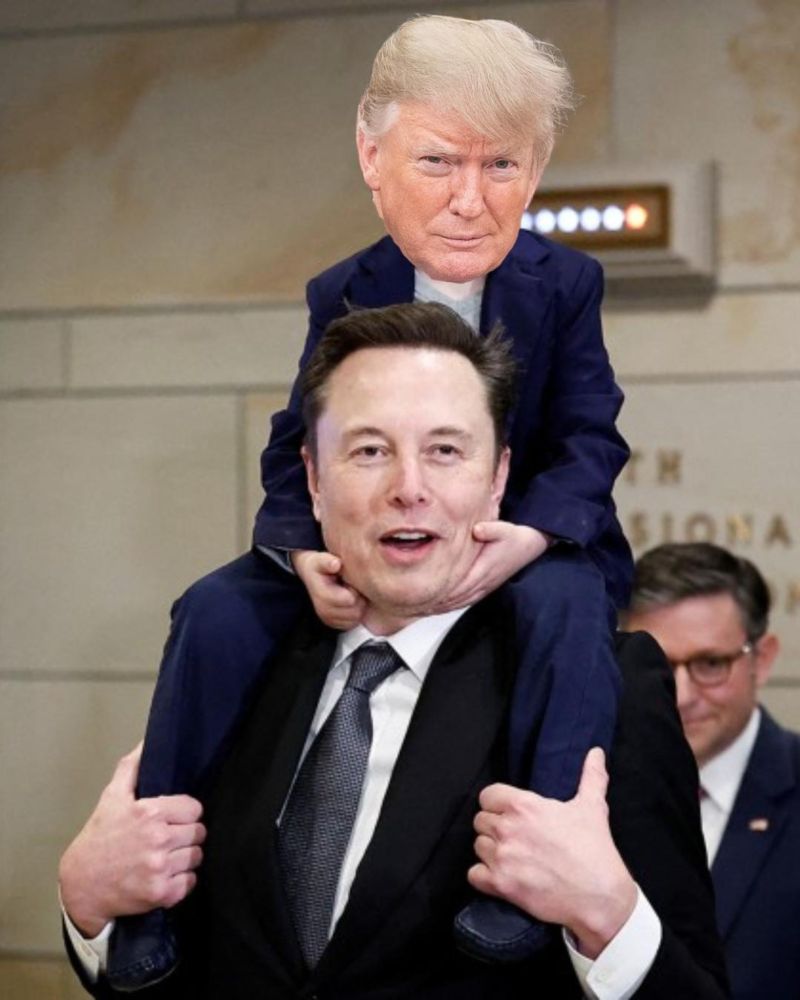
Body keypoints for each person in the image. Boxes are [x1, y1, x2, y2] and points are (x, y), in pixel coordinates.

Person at [123, 14, 630, 981]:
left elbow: (589, 435)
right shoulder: (342, 290)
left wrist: (528, 533)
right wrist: (298, 549)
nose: (470, 200)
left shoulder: (567, 282)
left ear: (535, 171)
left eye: (502, 166)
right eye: (438, 162)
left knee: (569, 609)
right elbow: (298, 442)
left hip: (522, 536)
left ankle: (526, 881)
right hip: (368, 540)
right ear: (372, 155)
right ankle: (152, 885)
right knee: (216, 606)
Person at [60, 303, 727, 999]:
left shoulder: (607, 686)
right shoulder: (235, 658)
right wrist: (89, 909)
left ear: (498, 478)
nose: (409, 489)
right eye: (370, 451)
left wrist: (608, 916)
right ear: (314, 479)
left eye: (445, 451)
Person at [624, 542, 800, 1000]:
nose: (681, 695)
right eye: (657, 666)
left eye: (709, 664)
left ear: (762, 659)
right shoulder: (581, 791)